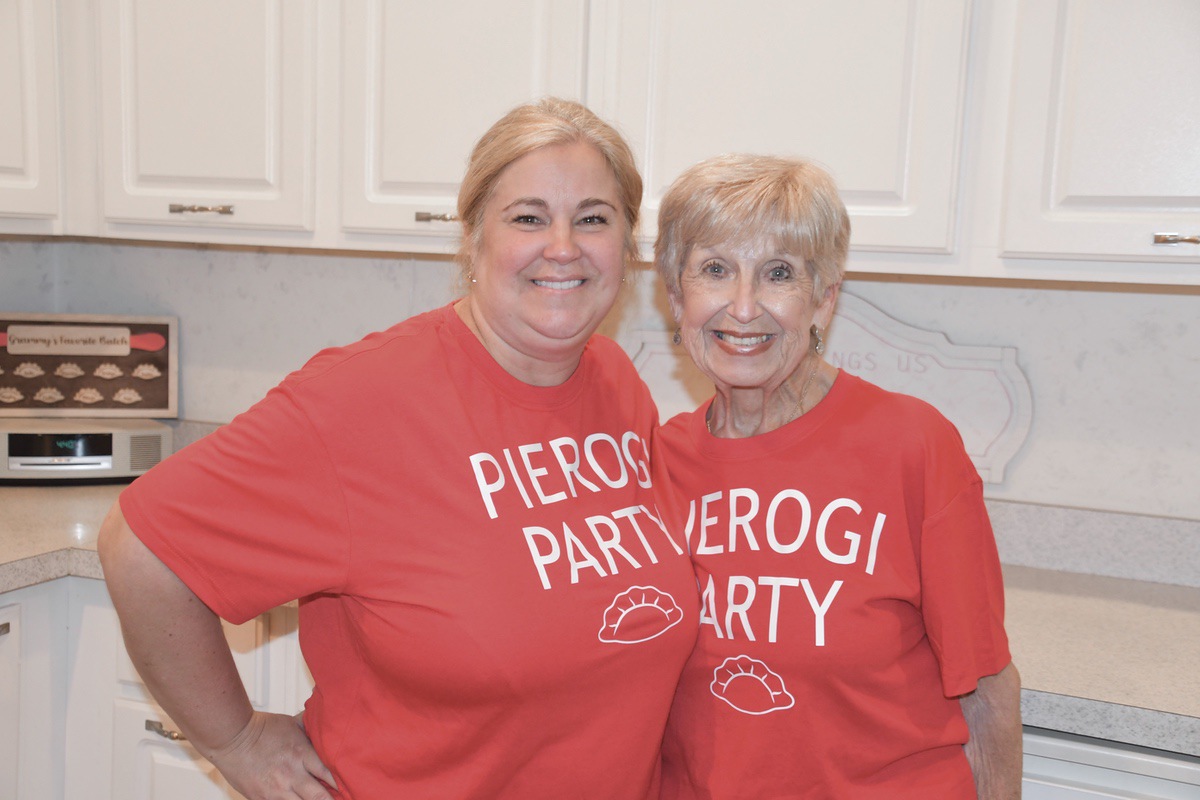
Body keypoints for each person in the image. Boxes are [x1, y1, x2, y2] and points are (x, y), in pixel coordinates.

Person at [97, 98, 698, 800]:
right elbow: (141, 548)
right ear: (475, 239)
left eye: (594, 217)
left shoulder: (617, 383)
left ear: (625, 244)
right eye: (528, 217)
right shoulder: (361, 401)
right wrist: (236, 740)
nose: (562, 245)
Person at [651, 154, 1022, 799]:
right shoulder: (659, 463)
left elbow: (985, 683)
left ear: (824, 297)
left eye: (778, 274)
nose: (743, 307)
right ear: (677, 296)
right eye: (715, 270)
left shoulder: (912, 447)